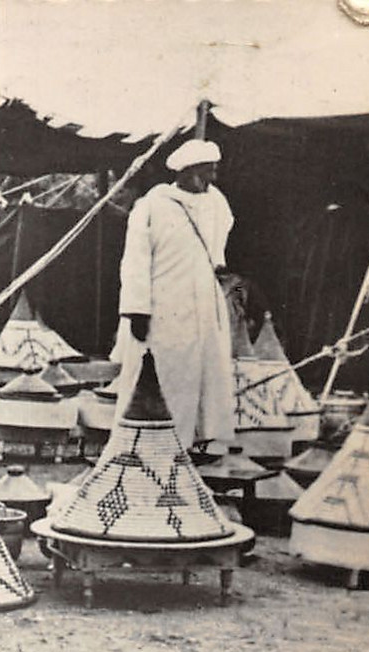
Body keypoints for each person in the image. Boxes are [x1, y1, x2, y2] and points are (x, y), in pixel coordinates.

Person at [112, 138, 235, 450]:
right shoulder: (152, 206)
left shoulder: (217, 203)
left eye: (214, 170)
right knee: (162, 375)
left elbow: (219, 242)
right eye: (207, 171)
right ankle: (146, 444)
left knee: (201, 377)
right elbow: (136, 261)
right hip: (162, 307)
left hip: (203, 307)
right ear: (188, 171)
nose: (212, 178)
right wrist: (137, 309)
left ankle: (189, 444)